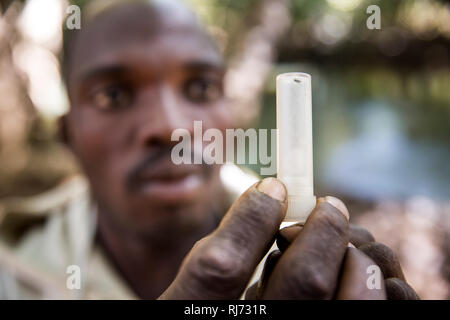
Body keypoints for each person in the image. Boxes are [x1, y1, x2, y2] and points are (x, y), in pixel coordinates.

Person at [0, 0, 419, 300]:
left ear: (232, 116)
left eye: (200, 87)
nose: (172, 128)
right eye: (114, 94)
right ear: (67, 135)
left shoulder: (320, 265)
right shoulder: (11, 271)